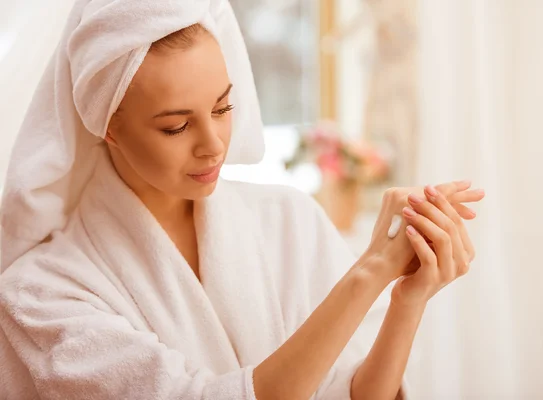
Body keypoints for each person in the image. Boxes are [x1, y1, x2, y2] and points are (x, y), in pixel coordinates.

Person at [0, 1, 485, 399]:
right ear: (107, 127)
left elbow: (354, 392)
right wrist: (368, 273)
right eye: (176, 125)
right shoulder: (41, 293)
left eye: (222, 107)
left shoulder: (289, 219)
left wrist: (407, 299)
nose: (213, 144)